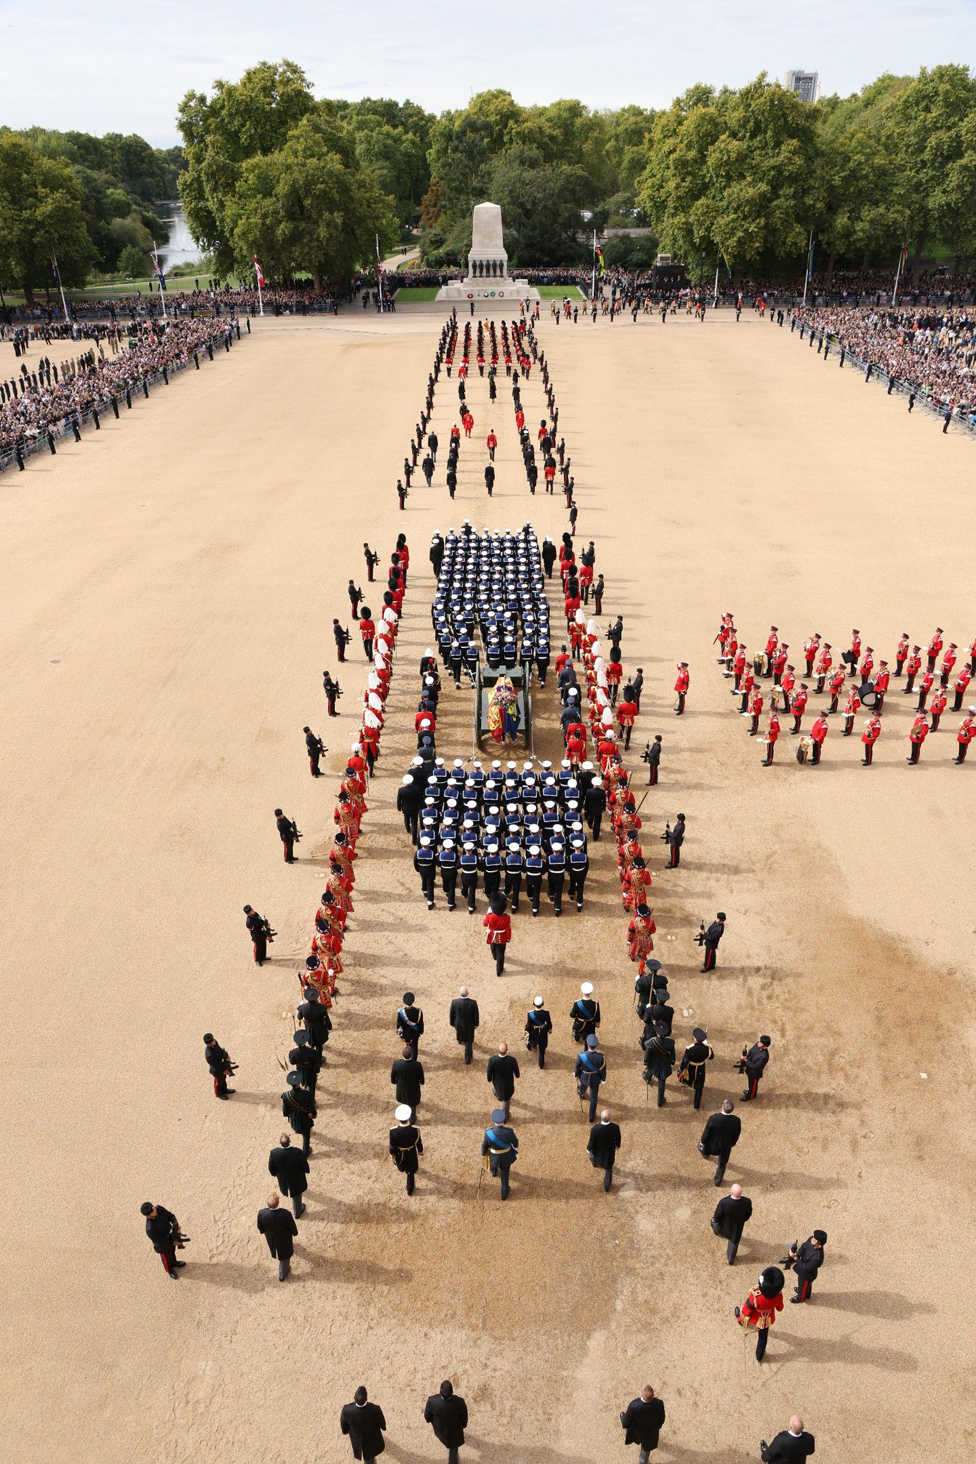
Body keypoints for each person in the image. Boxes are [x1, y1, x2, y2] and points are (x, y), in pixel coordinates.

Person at [735, 1267, 785, 1362]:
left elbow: (747, 1309)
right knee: (763, 1338)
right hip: (768, 1319)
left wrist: (745, 1314)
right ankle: (759, 1356)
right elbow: (780, 1308)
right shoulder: (778, 1296)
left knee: (743, 1312)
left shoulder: (755, 1295)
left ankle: (741, 1321)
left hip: (755, 1317)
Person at [698, 1098, 741, 1186]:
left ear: (722, 1107)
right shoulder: (736, 1121)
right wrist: (732, 1143)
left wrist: (702, 1141)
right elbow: (737, 1134)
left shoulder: (714, 1118)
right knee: (722, 1163)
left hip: (712, 1143)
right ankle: (717, 1181)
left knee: (703, 1148)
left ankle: (706, 1155)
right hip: (726, 1145)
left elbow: (707, 1132)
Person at [424, 1380, 468, 1464]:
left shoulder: (432, 1401)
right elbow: (464, 1417)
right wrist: (463, 1425)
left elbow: (427, 1418)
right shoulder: (459, 1402)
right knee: (453, 1449)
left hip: (440, 1429)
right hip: (455, 1431)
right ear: (452, 1392)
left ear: (440, 1392)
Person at [256, 1192, 298, 1281]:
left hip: (271, 1238)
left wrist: (264, 1232)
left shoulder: (262, 1213)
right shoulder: (285, 1214)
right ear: (278, 1203)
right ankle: (282, 1275)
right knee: (284, 1257)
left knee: (278, 1252)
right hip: (284, 1239)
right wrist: (295, 1233)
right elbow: (292, 1226)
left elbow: (260, 1227)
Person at [340, 1387, 387, 1463]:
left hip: (357, 1437)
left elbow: (343, 1423)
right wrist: (383, 1427)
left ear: (354, 1397)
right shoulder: (375, 1409)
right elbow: (381, 1423)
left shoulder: (347, 1409)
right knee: (369, 1456)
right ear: (366, 1398)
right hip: (371, 1437)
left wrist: (345, 1431)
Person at [619, 1385, 666, 1462]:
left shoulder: (634, 1405)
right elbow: (662, 1418)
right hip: (651, 1433)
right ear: (653, 1395)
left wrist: (624, 1422)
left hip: (637, 1431)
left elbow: (627, 1420)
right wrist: (658, 1427)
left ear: (641, 1395)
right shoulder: (659, 1403)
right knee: (645, 1452)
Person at [268, 1133, 309, 1218]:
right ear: (290, 1141)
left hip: (284, 1179)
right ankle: (297, 1213)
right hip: (297, 1178)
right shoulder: (297, 1152)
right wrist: (306, 1170)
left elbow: (271, 1167)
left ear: (280, 1143)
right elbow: (304, 1164)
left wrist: (275, 1174)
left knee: (292, 1191)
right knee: (296, 1194)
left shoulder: (274, 1153)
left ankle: (297, 1210)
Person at [141, 1201, 186, 1279]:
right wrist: (172, 1242)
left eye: (153, 1208)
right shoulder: (150, 1229)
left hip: (171, 1235)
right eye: (152, 1211)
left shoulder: (159, 1209)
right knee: (166, 1258)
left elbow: (170, 1216)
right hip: (163, 1245)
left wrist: (176, 1224)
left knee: (172, 1251)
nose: (155, 1211)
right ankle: (169, 1270)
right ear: (147, 1216)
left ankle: (174, 1263)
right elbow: (160, 1240)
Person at [481, 1108, 519, 1199]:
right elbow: (516, 1144)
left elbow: (484, 1146)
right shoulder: (509, 1132)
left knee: (493, 1164)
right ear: (503, 1120)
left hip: (494, 1157)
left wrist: (483, 1153)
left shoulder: (488, 1133)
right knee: (505, 1175)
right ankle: (504, 1194)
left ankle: (493, 1172)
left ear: (493, 1121)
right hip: (506, 1157)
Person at [712, 1182, 752, 1264]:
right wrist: (743, 1220)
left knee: (714, 1223)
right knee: (734, 1243)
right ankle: (731, 1259)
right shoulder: (747, 1202)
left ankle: (717, 1232)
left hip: (724, 1225)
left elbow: (717, 1215)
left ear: (731, 1192)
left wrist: (714, 1220)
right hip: (737, 1227)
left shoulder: (724, 1202)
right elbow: (748, 1214)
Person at [389, 1103, 424, 1195]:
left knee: (404, 1168)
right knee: (410, 1171)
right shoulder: (415, 1130)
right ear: (408, 1117)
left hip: (400, 1154)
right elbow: (419, 1143)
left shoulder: (393, 1131)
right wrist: (420, 1152)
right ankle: (409, 1189)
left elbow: (392, 1147)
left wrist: (392, 1155)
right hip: (411, 1153)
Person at [678, 1027, 714, 1109]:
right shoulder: (707, 1048)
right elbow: (711, 1057)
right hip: (701, 1067)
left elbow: (685, 1060)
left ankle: (689, 1083)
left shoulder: (690, 1048)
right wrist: (707, 1046)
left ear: (695, 1039)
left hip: (691, 1067)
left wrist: (681, 1068)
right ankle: (696, 1105)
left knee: (689, 1078)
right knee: (699, 1087)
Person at [282, 1072, 316, 1155]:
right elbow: (312, 1108)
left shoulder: (286, 1096)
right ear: (299, 1083)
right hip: (305, 1118)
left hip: (295, 1118)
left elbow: (285, 1112)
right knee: (306, 1135)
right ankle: (305, 1152)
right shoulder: (307, 1094)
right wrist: (313, 1114)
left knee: (303, 1131)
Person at [642, 1020, 675, 1107]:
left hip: (653, 1062)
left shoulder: (651, 1042)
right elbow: (673, 1054)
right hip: (664, 1062)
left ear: (656, 1032)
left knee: (650, 1070)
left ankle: (647, 1077)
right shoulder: (670, 1041)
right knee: (662, 1081)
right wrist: (672, 1062)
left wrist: (645, 1062)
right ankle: (660, 1101)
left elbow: (647, 1055)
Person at [587, 1107, 621, 1191]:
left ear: (601, 1118)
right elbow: (618, 1137)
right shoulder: (615, 1127)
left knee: (593, 1156)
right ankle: (607, 1186)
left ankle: (595, 1163)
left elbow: (592, 1141)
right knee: (608, 1169)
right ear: (609, 1118)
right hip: (609, 1152)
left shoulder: (595, 1129)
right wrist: (617, 1145)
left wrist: (588, 1149)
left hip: (597, 1150)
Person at [575, 1034, 607, 1121]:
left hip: (584, 1077)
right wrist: (603, 1079)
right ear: (596, 1046)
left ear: (587, 1045)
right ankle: (591, 1117)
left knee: (582, 1085)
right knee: (593, 1099)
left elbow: (577, 1067)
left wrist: (576, 1074)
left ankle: (581, 1092)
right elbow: (603, 1070)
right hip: (595, 1078)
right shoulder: (601, 1057)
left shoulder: (581, 1056)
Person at [789, 1230, 827, 1302]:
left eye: (814, 1240)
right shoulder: (811, 1239)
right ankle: (806, 1292)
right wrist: (797, 1254)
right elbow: (804, 1247)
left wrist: (795, 1258)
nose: (811, 1239)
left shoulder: (817, 1257)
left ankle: (801, 1297)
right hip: (803, 1266)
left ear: (819, 1245)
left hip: (807, 1274)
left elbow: (806, 1268)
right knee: (804, 1284)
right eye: (813, 1238)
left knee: (803, 1283)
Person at [486, 1041, 519, 1120]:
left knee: (498, 1092)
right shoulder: (512, 1060)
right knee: (506, 1100)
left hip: (498, 1083)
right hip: (508, 1084)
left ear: (498, 1050)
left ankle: (498, 1095)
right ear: (507, 1050)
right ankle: (505, 1118)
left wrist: (489, 1079)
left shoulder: (492, 1060)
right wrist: (517, 1075)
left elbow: (489, 1071)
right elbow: (517, 1073)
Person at [391, 1044, 424, 1120]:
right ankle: (412, 1119)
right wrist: (422, 1082)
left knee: (404, 1101)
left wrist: (395, 1081)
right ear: (411, 1055)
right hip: (413, 1088)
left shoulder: (396, 1064)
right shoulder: (417, 1065)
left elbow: (393, 1076)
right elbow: (421, 1077)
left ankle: (405, 1117)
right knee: (412, 1104)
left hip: (401, 1088)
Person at [449, 985, 480, 1064]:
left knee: (459, 1032)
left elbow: (451, 1014)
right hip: (469, 1024)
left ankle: (460, 1040)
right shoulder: (473, 1003)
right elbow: (476, 1015)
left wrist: (452, 1023)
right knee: (468, 1041)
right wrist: (476, 1024)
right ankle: (467, 1059)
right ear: (468, 993)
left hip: (458, 1023)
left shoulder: (454, 1002)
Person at [483, 892, 511, 974]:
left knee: (493, 945)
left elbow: (484, 924)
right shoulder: (506, 918)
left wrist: (488, 915)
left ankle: (494, 956)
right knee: (501, 952)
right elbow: (508, 929)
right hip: (502, 937)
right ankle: (499, 970)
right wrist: (508, 938)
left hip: (492, 935)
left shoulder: (489, 916)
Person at [203, 1033, 235, 1099]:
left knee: (223, 1079)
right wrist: (224, 1071)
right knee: (218, 1082)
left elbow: (220, 1050)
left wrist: (227, 1056)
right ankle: (219, 1094)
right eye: (212, 1041)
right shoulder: (209, 1055)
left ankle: (225, 1090)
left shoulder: (215, 1042)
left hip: (222, 1065)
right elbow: (216, 1065)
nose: (214, 1041)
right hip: (217, 1070)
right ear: (208, 1044)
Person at [524, 995, 552, 1068]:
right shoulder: (546, 1013)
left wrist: (526, 1031)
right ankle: (541, 1065)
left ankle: (530, 1045)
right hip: (543, 1031)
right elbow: (549, 1023)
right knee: (542, 1049)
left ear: (533, 1003)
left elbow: (528, 1024)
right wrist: (549, 1029)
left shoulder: (530, 1014)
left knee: (531, 1040)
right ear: (542, 1004)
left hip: (533, 1031)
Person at [741, 1036, 771, 1100]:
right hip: (750, 1070)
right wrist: (746, 1056)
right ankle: (750, 1091)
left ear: (765, 1046)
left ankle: (751, 1095)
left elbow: (755, 1066)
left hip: (755, 1074)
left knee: (753, 1085)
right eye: (760, 1041)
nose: (758, 1043)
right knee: (750, 1083)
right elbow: (751, 1051)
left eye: (761, 1043)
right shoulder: (758, 1044)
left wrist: (746, 1060)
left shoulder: (764, 1056)